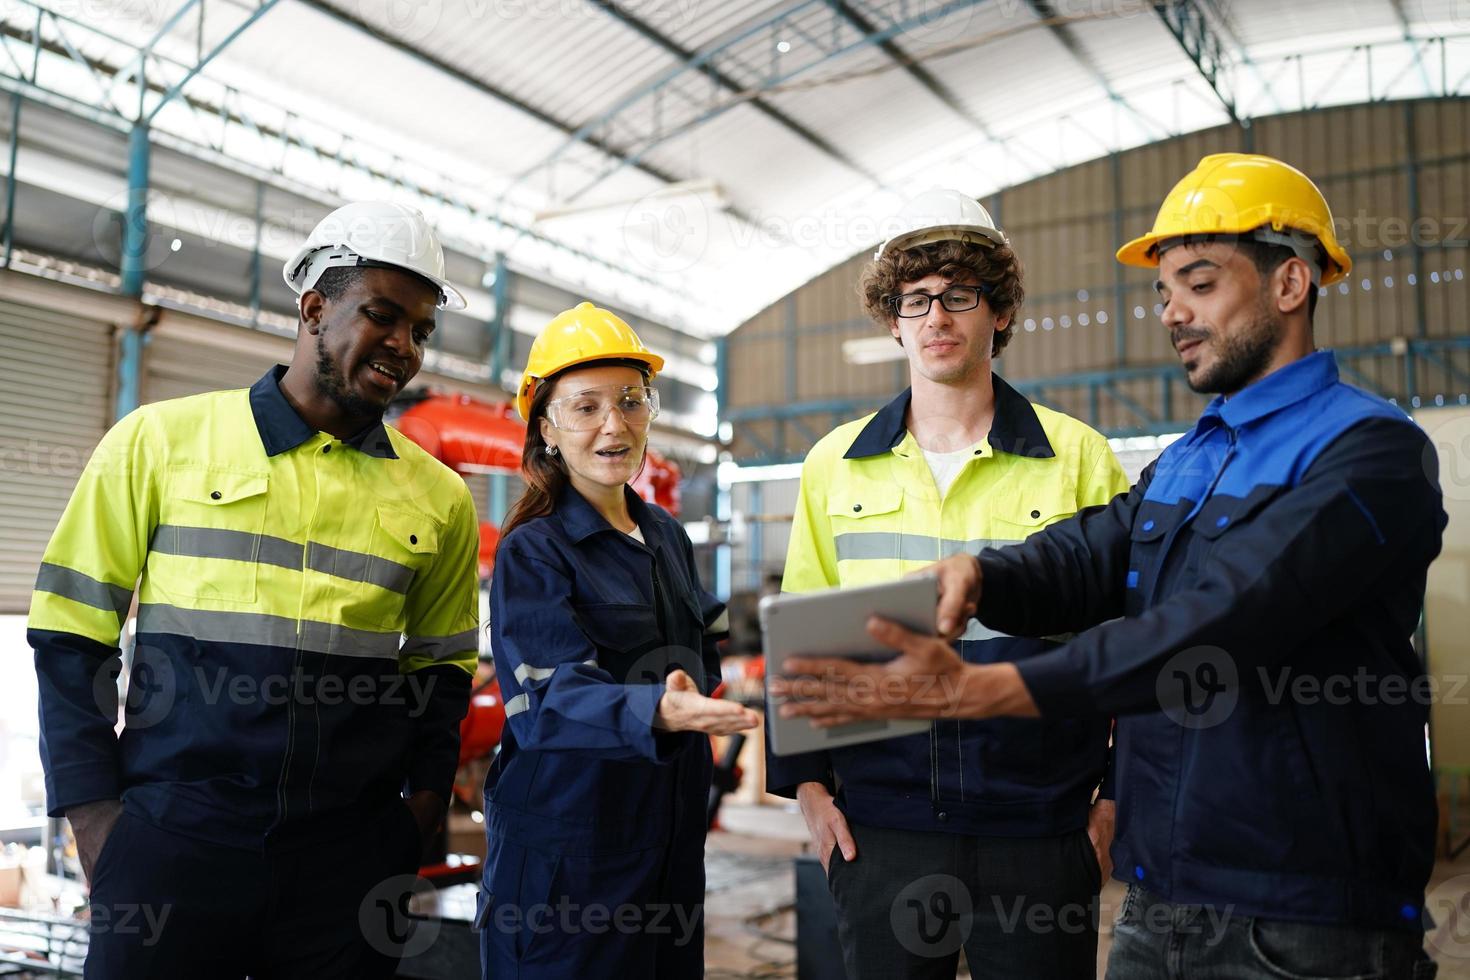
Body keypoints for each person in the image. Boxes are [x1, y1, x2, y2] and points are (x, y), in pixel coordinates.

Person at [776, 155, 1445, 980]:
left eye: (1198, 284)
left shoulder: (1370, 451)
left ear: (1291, 283)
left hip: (1301, 906)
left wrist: (995, 694)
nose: (1173, 313)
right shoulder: (1191, 460)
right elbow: (1090, 553)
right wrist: (980, 577)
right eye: (1165, 292)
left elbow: (1227, 618)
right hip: (1164, 892)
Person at [29, 200, 481, 979]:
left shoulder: (439, 497)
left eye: (420, 330)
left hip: (348, 866)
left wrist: (415, 819)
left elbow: (440, 674)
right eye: (383, 315)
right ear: (313, 308)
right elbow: (70, 638)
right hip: (173, 848)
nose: (404, 348)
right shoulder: (158, 443)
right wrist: (98, 820)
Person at [766, 188, 1131, 978]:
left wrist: (1114, 801)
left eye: (960, 294)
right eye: (916, 299)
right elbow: (800, 635)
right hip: (881, 826)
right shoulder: (835, 464)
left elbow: (1131, 644)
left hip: (1041, 826)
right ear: (891, 319)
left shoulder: (1079, 457)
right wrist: (807, 791)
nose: (937, 316)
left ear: (998, 313)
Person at [480, 302, 759, 979]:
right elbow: (546, 702)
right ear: (546, 427)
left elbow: (704, 635)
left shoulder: (664, 533)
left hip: (666, 847)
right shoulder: (534, 551)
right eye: (586, 407)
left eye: (632, 401)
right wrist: (658, 711)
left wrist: (735, 678)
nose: (615, 424)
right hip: (568, 859)